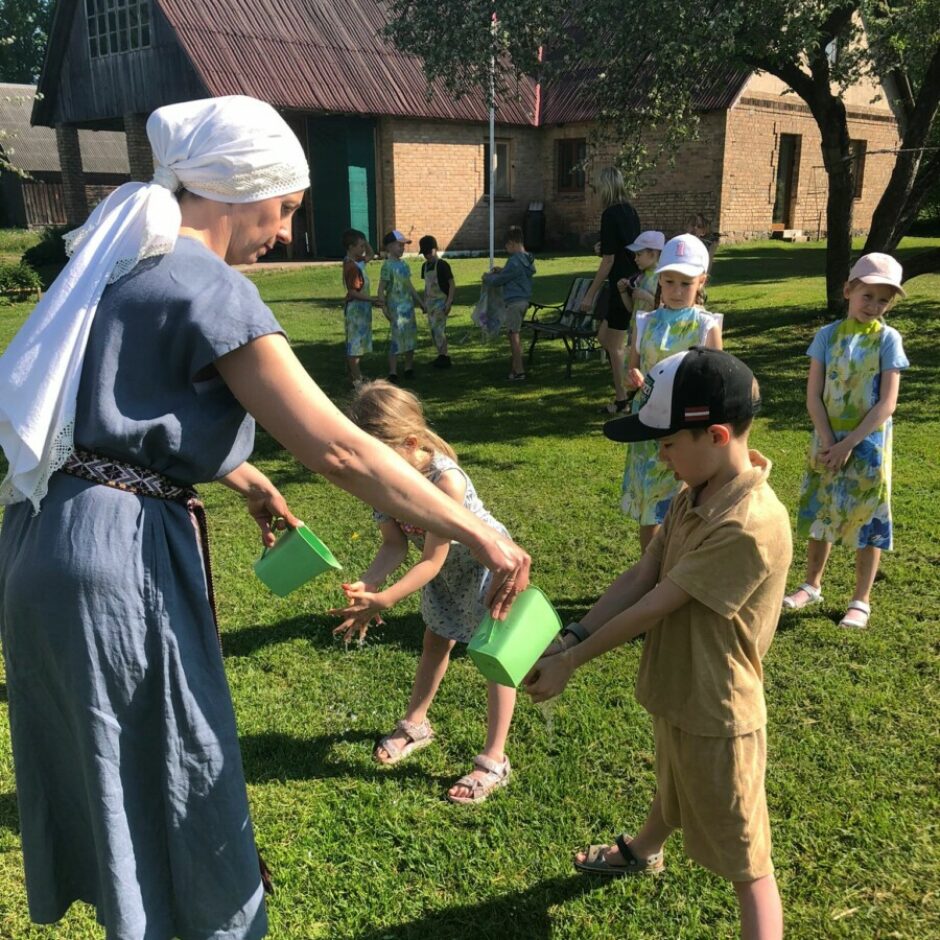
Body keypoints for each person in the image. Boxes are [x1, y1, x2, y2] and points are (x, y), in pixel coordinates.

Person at [0, 95, 530, 940]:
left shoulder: (118, 266)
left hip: (42, 538)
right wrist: (477, 530)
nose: (284, 233)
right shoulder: (205, 280)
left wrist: (242, 477)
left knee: (107, 765)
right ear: (240, 190)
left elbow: (111, 414)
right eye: (284, 208)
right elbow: (343, 449)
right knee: (176, 763)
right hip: (115, 558)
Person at [526, 348, 791, 940]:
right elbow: (640, 576)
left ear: (717, 435)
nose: (661, 456)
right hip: (679, 688)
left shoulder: (748, 524)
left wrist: (571, 662)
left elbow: (657, 604)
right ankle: (645, 849)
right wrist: (571, 634)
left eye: (668, 444)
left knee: (749, 861)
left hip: (719, 710)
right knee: (673, 780)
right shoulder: (693, 495)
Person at [334, 380, 517, 803]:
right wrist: (371, 581)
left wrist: (387, 599)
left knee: (494, 659)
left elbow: (432, 559)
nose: (369, 466)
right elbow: (394, 544)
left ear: (410, 442)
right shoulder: (383, 479)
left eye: (375, 454)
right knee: (435, 643)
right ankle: (416, 724)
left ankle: (494, 757)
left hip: (484, 569)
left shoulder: (444, 481)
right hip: (443, 575)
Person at [783, 253, 909, 628]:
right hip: (826, 439)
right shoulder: (826, 336)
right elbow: (813, 395)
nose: (873, 305)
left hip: (867, 443)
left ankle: (861, 598)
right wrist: (827, 440)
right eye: (867, 295)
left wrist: (850, 443)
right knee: (821, 512)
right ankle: (811, 584)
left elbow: (887, 403)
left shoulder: (888, 339)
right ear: (848, 290)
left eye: (883, 299)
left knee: (867, 518)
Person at [621, 234, 723, 551]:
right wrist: (632, 378)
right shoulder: (645, 321)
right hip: (648, 422)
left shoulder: (706, 326)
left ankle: (680, 570)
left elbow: (715, 381)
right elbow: (631, 372)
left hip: (688, 425)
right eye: (670, 282)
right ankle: (650, 571)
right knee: (651, 505)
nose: (677, 291)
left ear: (701, 282)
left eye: (686, 284)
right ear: (659, 281)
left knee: (683, 498)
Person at [579, 166, 641, 413]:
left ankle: (623, 400)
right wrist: (603, 246)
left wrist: (589, 294)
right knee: (604, 338)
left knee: (614, 345)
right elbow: (622, 246)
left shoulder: (610, 213)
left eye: (596, 188)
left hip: (620, 286)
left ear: (605, 188)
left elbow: (609, 260)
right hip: (629, 281)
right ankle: (629, 388)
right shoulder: (630, 211)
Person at [481, 225, 536, 381]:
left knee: (514, 335)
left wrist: (487, 277)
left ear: (512, 243)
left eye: (506, 246)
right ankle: (514, 369)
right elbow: (513, 274)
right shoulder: (527, 258)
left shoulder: (514, 261)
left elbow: (500, 281)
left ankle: (519, 371)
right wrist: (503, 270)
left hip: (514, 302)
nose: (506, 249)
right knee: (513, 333)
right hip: (524, 301)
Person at [378, 229, 425, 382]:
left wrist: (420, 302)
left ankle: (408, 367)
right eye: (399, 245)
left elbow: (409, 286)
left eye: (403, 246)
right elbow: (381, 289)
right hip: (395, 309)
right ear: (389, 247)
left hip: (408, 308)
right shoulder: (387, 266)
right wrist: (384, 308)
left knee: (410, 338)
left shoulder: (404, 265)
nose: (402, 248)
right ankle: (393, 372)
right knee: (396, 339)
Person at [341, 228, 383, 385]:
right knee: (355, 345)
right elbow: (353, 292)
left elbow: (371, 255)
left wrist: (366, 242)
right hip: (356, 311)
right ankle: (357, 379)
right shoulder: (351, 267)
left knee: (359, 344)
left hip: (362, 310)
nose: (363, 249)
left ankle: (354, 374)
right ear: (351, 247)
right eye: (360, 246)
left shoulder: (358, 260)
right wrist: (372, 299)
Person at [418, 234, 455, 369]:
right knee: (433, 330)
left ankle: (444, 356)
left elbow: (451, 284)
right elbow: (427, 286)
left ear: (435, 249)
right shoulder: (425, 267)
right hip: (430, 303)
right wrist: (424, 302)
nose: (427, 256)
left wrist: (449, 302)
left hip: (441, 302)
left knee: (439, 330)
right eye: (424, 253)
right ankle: (440, 355)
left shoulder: (443, 265)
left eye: (429, 252)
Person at [616, 230, 664, 315]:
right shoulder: (640, 278)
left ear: (652, 254)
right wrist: (623, 291)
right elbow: (632, 309)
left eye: (639, 254)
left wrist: (645, 296)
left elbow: (664, 310)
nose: (635, 259)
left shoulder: (663, 279)